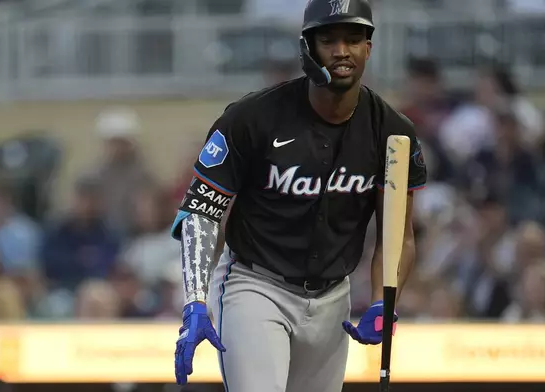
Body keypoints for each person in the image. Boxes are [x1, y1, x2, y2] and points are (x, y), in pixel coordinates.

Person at [170, 0, 427, 391]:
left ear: (369, 48)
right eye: (329, 40)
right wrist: (195, 300)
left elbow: (399, 236)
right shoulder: (251, 117)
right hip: (256, 284)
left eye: (354, 39)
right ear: (307, 48)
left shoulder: (394, 132)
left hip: (332, 297)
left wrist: (383, 302)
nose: (342, 51)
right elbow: (203, 213)